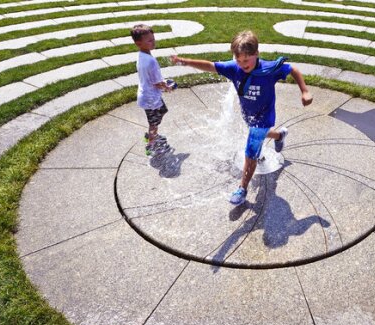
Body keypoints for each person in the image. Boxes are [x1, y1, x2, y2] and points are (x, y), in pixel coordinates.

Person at [171, 30, 313, 205]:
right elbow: (211, 65)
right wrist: (185, 62)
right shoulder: (234, 68)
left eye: (246, 60)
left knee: (251, 151)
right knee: (259, 134)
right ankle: (279, 135)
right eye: (238, 60)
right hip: (249, 115)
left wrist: (305, 91)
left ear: (256, 54)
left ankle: (242, 188)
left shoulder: (268, 70)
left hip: (264, 115)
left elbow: (293, 69)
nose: (242, 64)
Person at [132, 24, 174, 156]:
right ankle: (151, 144)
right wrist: (167, 87)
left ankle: (152, 135)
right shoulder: (151, 61)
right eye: (149, 40)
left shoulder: (141, 55)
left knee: (162, 111)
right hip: (150, 98)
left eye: (153, 38)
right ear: (139, 43)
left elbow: (153, 80)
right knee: (154, 123)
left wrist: (162, 83)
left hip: (147, 94)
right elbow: (157, 84)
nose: (153, 42)